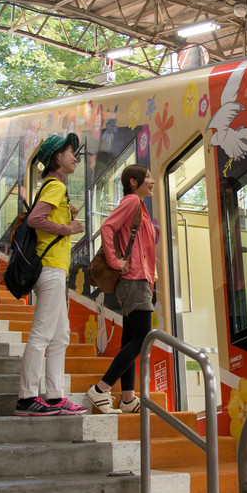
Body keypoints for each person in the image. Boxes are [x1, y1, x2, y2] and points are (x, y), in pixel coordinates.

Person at [14, 132, 89, 417]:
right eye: (71, 152)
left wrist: (64, 217)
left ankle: (55, 396)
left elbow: (42, 215)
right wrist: (68, 228)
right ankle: (26, 397)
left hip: (54, 269)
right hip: (50, 270)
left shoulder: (54, 187)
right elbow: (35, 219)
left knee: (60, 337)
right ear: (57, 156)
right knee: (42, 335)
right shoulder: (55, 186)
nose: (75, 157)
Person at [86, 165, 157, 414]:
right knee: (142, 338)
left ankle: (127, 399)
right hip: (133, 280)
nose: (153, 181)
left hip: (140, 280)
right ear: (134, 181)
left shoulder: (141, 206)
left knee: (131, 337)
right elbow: (107, 227)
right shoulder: (132, 202)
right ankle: (100, 389)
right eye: (148, 177)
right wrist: (116, 262)